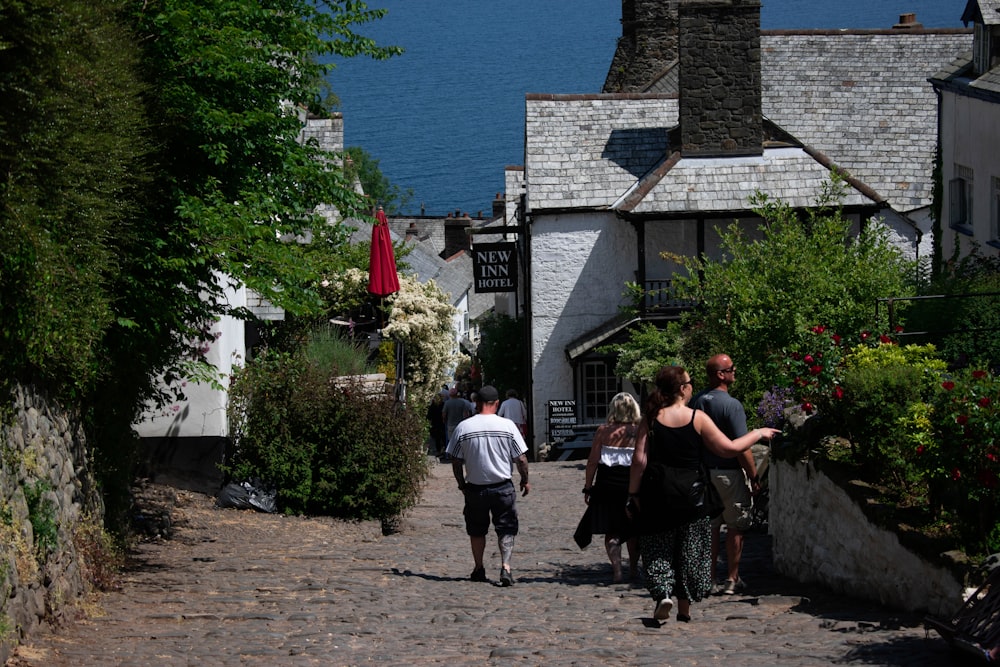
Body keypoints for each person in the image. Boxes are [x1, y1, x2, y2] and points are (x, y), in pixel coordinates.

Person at [627, 365, 778, 623]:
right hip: (691, 494)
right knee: (690, 551)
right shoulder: (697, 418)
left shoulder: (651, 418)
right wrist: (758, 433)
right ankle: (684, 610)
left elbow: (639, 460)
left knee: (658, 547)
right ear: (683, 388)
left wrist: (633, 494)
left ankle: (663, 592)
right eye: (689, 382)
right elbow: (729, 448)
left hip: (658, 493)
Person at [447, 385, 530, 586]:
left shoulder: (464, 427)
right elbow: (521, 458)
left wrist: (461, 485)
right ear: (496, 403)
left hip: (475, 488)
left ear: (476, 403)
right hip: (502, 486)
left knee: (476, 530)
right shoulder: (508, 426)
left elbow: (456, 460)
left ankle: (478, 567)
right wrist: (525, 480)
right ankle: (506, 567)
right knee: (506, 527)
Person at [690, 354, 758, 596]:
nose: (734, 371)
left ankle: (708, 579)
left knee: (710, 527)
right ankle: (732, 578)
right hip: (727, 472)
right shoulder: (731, 405)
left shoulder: (696, 401)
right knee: (736, 525)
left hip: (702, 473)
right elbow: (742, 446)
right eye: (731, 368)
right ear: (721, 374)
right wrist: (754, 475)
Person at [581, 392, 641, 583]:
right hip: (632, 483)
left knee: (612, 529)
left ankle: (617, 570)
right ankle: (633, 568)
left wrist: (588, 487)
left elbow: (592, 461)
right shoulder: (639, 431)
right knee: (633, 529)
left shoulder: (603, 430)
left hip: (607, 483)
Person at [426, 392, 447, 458]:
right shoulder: (443, 405)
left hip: (435, 424)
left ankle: (439, 451)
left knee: (437, 438)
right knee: (443, 438)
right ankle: (444, 450)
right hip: (442, 423)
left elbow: (429, 416)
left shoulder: (432, 406)